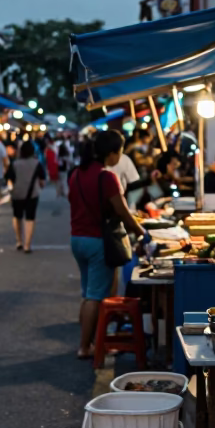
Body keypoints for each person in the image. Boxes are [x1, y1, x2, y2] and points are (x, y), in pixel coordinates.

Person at [69, 129, 150, 361]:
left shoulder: (76, 174)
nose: (120, 157)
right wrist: (142, 233)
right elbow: (123, 212)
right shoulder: (106, 177)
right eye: (120, 153)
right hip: (97, 242)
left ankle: (92, 341)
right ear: (112, 153)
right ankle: (85, 347)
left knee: (87, 293)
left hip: (77, 239)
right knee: (96, 296)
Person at [8, 139, 46, 252]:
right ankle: (27, 245)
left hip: (17, 194)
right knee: (30, 218)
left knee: (17, 216)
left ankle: (19, 240)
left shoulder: (14, 163)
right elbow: (42, 181)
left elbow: (9, 179)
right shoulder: (37, 163)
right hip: (32, 195)